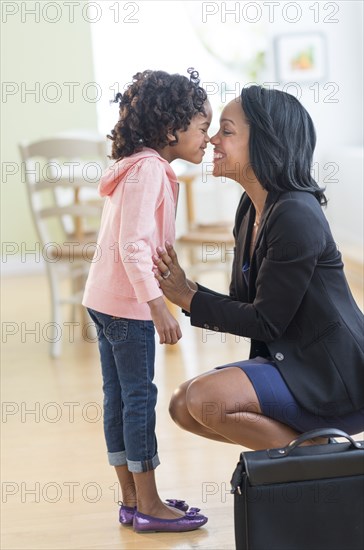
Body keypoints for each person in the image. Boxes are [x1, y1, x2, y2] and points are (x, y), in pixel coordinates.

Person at [153, 85, 364, 452]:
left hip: (331, 376)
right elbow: (244, 304)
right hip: (292, 363)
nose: (213, 140)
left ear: (265, 143)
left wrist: (188, 296)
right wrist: (187, 291)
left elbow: (266, 322)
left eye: (227, 131)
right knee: (182, 407)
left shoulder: (295, 214)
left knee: (204, 399)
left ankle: (325, 458)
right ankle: (317, 455)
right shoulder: (250, 209)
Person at [82, 68, 211, 533]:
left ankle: (133, 499)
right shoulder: (151, 171)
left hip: (104, 297)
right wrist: (157, 303)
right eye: (202, 128)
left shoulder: (135, 166)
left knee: (118, 397)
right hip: (128, 304)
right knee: (138, 397)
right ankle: (151, 505)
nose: (208, 138)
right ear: (171, 130)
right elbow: (134, 244)